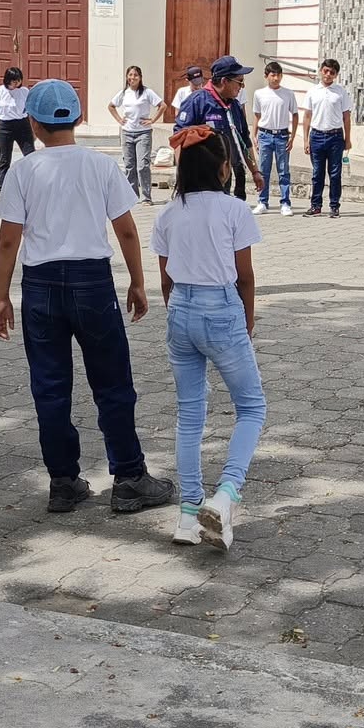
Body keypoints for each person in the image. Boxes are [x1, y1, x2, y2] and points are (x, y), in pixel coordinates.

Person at [0, 79, 174, 515]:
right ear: (76, 118)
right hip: (93, 283)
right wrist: (137, 282)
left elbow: (8, 240)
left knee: (50, 387)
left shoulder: (23, 171)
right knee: (113, 383)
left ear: (33, 124)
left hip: (40, 287)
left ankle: (63, 481)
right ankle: (129, 478)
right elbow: (126, 230)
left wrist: (1, 297)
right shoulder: (101, 165)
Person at [153, 131, 266, 551]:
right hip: (222, 309)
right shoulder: (235, 210)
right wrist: (246, 321)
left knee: (189, 413)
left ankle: (187, 513)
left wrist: (179, 312)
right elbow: (245, 277)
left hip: (181, 309)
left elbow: (165, 280)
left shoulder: (168, 214)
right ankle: (226, 494)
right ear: (223, 168)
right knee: (251, 407)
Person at [175, 56, 265, 204]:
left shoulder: (234, 106)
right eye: (240, 81)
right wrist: (183, 176)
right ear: (224, 81)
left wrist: (255, 171)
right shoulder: (196, 102)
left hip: (224, 175)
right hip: (200, 180)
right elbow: (179, 139)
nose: (242, 86)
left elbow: (244, 140)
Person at [301, 58, 354, 216]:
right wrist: (305, 140)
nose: (328, 74)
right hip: (316, 136)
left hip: (335, 137)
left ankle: (334, 206)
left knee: (335, 173)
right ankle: (316, 206)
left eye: (332, 72)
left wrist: (348, 139)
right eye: (326, 71)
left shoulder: (340, 92)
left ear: (336, 75)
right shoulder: (312, 91)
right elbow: (307, 116)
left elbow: (346, 117)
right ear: (321, 71)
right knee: (317, 173)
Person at [107, 65, 163, 205]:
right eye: (130, 75)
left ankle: (146, 197)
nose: (133, 78)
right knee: (129, 166)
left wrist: (152, 120)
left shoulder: (147, 92)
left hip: (143, 133)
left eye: (135, 75)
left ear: (140, 77)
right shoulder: (123, 93)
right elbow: (111, 106)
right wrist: (119, 120)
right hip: (127, 132)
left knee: (142, 165)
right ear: (127, 77)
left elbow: (162, 105)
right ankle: (131, 197)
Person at [251, 61, 297, 217]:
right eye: (273, 75)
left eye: (279, 75)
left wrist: (293, 136)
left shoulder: (288, 94)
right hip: (265, 135)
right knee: (264, 170)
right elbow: (257, 115)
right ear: (266, 76)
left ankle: (285, 203)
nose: (276, 78)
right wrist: (254, 135)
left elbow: (295, 115)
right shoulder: (259, 94)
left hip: (282, 135)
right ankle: (262, 202)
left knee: (283, 171)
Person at [0, 66, 33, 196]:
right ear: (8, 80)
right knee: (5, 158)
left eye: (19, 80)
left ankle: (33, 186)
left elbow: (30, 112)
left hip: (22, 125)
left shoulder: (25, 91)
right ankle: (0, 188)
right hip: (5, 126)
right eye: (14, 81)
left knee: (30, 155)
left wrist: (34, 131)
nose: (17, 83)